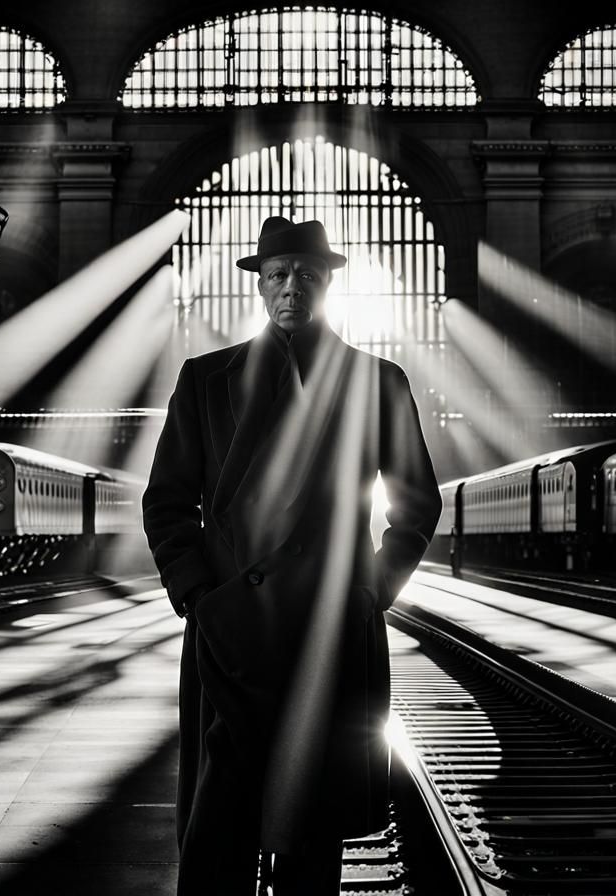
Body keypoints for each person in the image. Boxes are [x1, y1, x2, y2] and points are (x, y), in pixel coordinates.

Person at [142, 216, 442, 895]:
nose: (291, 287)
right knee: (218, 826)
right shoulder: (203, 379)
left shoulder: (379, 381)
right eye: (277, 275)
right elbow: (166, 503)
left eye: (307, 274)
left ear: (329, 283)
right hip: (229, 629)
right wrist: (197, 596)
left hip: (326, 626)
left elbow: (416, 506)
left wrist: (367, 592)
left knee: (312, 829)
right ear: (259, 285)